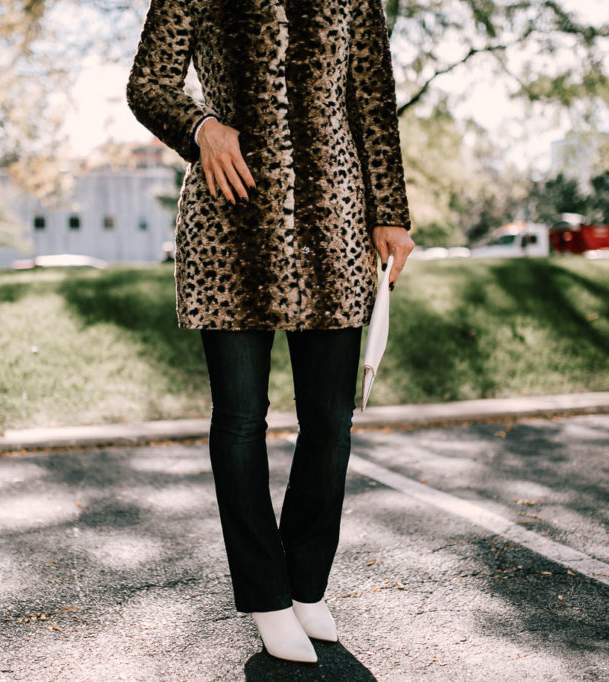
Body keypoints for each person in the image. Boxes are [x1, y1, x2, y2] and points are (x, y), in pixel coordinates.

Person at [127, 0, 414, 663]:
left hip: (333, 222)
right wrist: (200, 126)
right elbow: (149, 83)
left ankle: (306, 583)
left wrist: (389, 211)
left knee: (330, 420)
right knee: (238, 419)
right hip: (231, 222)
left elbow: (373, 103)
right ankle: (265, 594)